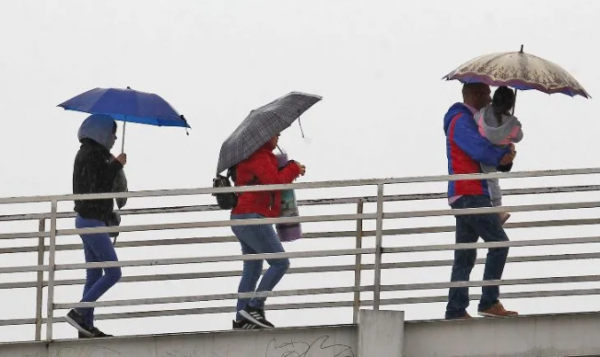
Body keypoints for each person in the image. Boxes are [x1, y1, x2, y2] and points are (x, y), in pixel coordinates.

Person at [443, 83, 518, 319]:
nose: (489, 98)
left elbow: (483, 151)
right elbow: (478, 150)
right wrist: (499, 155)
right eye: (486, 93)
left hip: (467, 193)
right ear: (475, 94)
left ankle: (456, 309)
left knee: (465, 255)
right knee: (499, 243)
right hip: (471, 192)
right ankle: (488, 301)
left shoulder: (467, 120)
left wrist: (504, 153)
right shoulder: (460, 120)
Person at [230, 133, 305, 329]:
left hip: (241, 217)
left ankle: (241, 317)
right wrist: (293, 168)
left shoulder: (253, 156)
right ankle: (254, 307)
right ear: (264, 136)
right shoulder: (260, 156)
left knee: (252, 269)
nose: (279, 135)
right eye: (276, 133)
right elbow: (275, 181)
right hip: (252, 217)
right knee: (280, 263)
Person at [65, 114, 127, 338]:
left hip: (86, 219)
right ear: (102, 131)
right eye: (112, 132)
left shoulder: (88, 153)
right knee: (113, 272)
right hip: (91, 220)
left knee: (93, 276)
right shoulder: (92, 155)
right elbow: (98, 185)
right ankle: (80, 312)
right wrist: (116, 166)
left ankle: (86, 328)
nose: (114, 137)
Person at [474, 86, 524, 224]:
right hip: (502, 154)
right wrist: (513, 122)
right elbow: (519, 137)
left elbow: (475, 118)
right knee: (494, 181)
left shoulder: (482, 115)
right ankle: (497, 209)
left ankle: (497, 208)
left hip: (486, 154)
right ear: (510, 104)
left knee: (491, 181)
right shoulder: (512, 124)